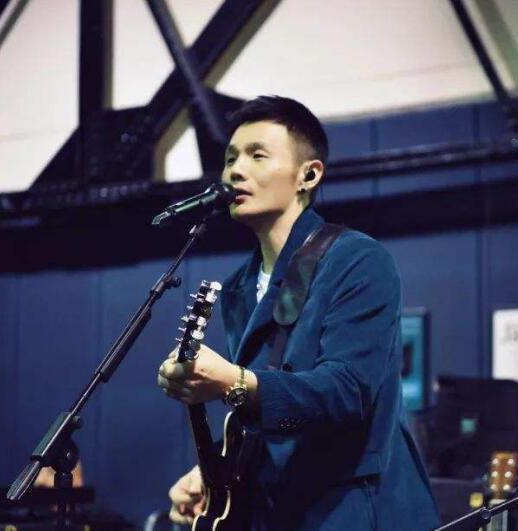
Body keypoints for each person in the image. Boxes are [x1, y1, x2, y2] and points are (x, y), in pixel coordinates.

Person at [157, 96, 439, 530]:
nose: (235, 170)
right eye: (230, 158)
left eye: (257, 155)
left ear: (309, 175)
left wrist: (234, 382)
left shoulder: (357, 259)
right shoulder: (238, 288)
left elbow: (345, 392)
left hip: (355, 512)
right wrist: (214, 475)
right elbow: (275, 415)